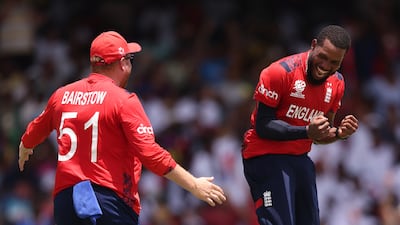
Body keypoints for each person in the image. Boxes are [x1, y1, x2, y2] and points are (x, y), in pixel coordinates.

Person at [18, 31, 226, 225]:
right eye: (129, 59)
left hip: (66, 203)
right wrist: (194, 184)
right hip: (108, 201)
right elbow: (150, 154)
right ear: (122, 63)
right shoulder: (123, 101)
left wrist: (26, 145)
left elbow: (36, 129)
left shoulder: (61, 95)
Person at [241, 25, 359, 225]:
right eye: (322, 56)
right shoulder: (279, 72)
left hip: (300, 159)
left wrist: (339, 133)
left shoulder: (337, 82)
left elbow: (320, 135)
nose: (325, 66)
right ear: (313, 45)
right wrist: (306, 131)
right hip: (265, 157)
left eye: (334, 62)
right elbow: (263, 125)